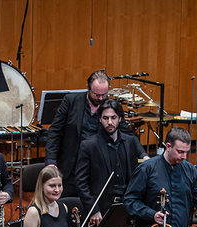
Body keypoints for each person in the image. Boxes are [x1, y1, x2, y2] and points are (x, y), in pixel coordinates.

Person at [45, 70, 132, 199]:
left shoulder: (111, 107)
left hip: (96, 170)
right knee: (64, 207)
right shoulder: (70, 101)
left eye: (104, 94)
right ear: (88, 88)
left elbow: (127, 135)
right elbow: (55, 131)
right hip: (70, 168)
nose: (101, 98)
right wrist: (51, 160)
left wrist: (143, 155)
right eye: (97, 94)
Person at [73, 98, 147, 225]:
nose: (110, 122)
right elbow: (81, 182)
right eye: (105, 118)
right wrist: (93, 209)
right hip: (100, 210)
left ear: (120, 118)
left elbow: (135, 177)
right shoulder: (89, 145)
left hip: (125, 205)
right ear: (100, 119)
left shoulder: (129, 142)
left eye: (113, 117)